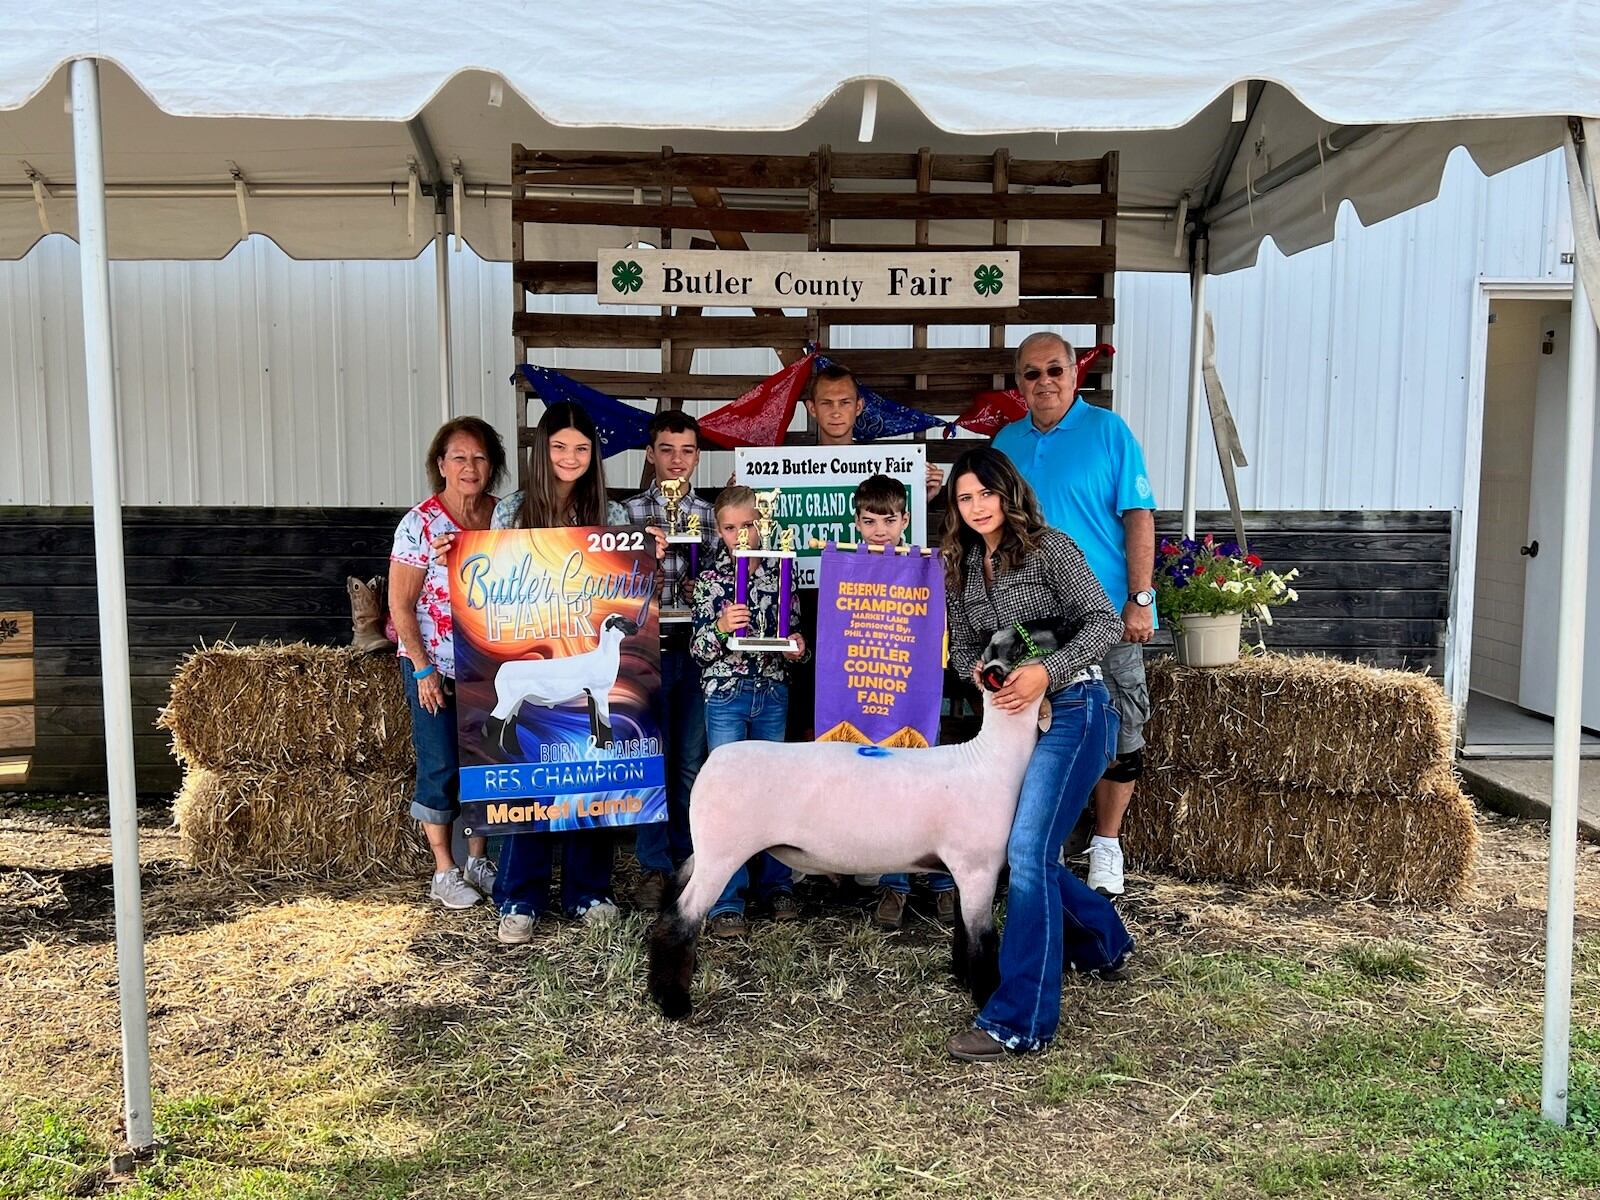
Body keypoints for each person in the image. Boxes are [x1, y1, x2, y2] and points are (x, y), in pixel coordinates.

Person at [938, 447, 1132, 1063]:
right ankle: (1104, 942)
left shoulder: (1052, 547)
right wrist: (977, 671)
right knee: (1027, 851)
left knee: (1026, 852)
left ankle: (1019, 1020)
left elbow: (1103, 623)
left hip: (1077, 711)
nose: (976, 508)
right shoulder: (963, 565)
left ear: (1008, 491)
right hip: (1012, 725)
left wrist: (1046, 671)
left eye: (985, 495)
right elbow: (966, 640)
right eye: (965, 499)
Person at [992, 332, 1157, 897]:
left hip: (1102, 613)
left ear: (1074, 374)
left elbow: (1138, 516)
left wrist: (1141, 598)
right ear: (1018, 383)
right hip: (1027, 621)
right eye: (1032, 373)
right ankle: (1048, 843)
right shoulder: (1005, 443)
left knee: (1121, 726)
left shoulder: (1110, 433)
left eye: (1054, 370)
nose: (1044, 382)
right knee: (1032, 729)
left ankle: (1107, 844)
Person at [488, 402, 632, 942]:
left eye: (581, 448)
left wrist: (645, 555)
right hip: (535, 650)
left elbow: (624, 580)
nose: (570, 457)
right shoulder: (511, 512)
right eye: (559, 446)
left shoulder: (613, 518)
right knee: (530, 774)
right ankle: (519, 897)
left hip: (582, 649)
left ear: (593, 456)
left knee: (588, 773)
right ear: (541, 451)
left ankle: (588, 891)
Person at [789, 362, 944, 742]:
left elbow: (901, 528)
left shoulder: (887, 470)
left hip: (880, 609)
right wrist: (746, 489)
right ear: (811, 408)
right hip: (813, 601)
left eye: (845, 402)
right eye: (826, 403)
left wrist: (923, 502)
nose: (836, 411)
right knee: (818, 700)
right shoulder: (783, 466)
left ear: (859, 407)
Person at [388, 416, 506, 910]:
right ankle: (444, 868)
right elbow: (399, 604)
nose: (470, 467)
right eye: (459, 457)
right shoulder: (420, 523)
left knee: (487, 764)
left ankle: (479, 858)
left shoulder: (505, 517)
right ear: (441, 465)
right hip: (433, 663)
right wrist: (421, 667)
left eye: (479, 457)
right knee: (439, 764)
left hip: (491, 667)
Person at [689, 485, 809, 938]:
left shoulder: (782, 573)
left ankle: (777, 885)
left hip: (773, 691)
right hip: (725, 694)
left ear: (763, 525)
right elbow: (698, 652)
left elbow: (794, 637)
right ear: (718, 532)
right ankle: (726, 899)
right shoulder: (710, 582)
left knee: (772, 793)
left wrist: (799, 648)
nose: (742, 534)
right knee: (730, 796)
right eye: (731, 527)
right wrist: (720, 628)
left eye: (750, 524)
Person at [846, 474, 957, 931]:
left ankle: (944, 883)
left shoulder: (925, 564)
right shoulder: (848, 566)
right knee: (883, 791)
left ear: (906, 520)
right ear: (856, 522)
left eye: (889, 520)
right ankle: (895, 881)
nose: (879, 530)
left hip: (914, 687)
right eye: (869, 521)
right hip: (869, 687)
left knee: (927, 786)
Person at [620, 410, 717, 911]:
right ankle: (653, 866)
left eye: (687, 451)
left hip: (698, 650)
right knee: (648, 760)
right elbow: (611, 587)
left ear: (698, 456)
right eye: (667, 450)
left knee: (689, 763)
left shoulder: (713, 516)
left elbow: (724, 585)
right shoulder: (627, 515)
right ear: (650, 454)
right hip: (645, 652)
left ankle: (689, 860)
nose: (677, 460)